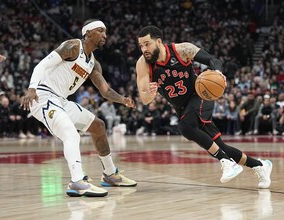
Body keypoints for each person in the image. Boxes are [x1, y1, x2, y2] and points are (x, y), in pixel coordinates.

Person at [136, 25, 272, 189]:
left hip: (201, 95)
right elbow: (144, 98)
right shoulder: (143, 64)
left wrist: (218, 72)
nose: (144, 49)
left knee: (185, 128)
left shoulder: (182, 50)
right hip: (183, 108)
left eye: (147, 44)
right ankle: (260, 166)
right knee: (220, 147)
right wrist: (149, 95)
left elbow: (212, 60)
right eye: (141, 45)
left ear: (158, 41)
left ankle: (226, 162)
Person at [21, 19, 137, 197]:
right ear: (88, 33)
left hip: (61, 100)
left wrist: (123, 100)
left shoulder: (93, 63)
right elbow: (41, 65)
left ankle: (110, 174)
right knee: (70, 134)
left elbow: (105, 90)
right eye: (100, 31)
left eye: (106, 31)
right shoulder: (73, 46)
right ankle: (77, 181)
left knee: (98, 126)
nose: (105, 35)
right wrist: (31, 88)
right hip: (43, 96)